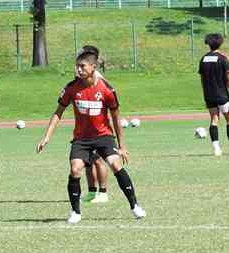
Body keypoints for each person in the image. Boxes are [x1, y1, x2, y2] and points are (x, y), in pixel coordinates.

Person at [36, 49, 146, 224]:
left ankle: (135, 206)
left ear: (93, 67)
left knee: (115, 164)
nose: (78, 70)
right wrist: (46, 137)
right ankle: (75, 212)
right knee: (75, 169)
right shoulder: (71, 88)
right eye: (77, 66)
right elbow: (58, 112)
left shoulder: (107, 90)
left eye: (82, 66)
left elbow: (116, 118)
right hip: (81, 139)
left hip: (104, 136)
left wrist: (122, 145)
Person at [74, 45, 110, 204]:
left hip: (97, 129)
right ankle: (91, 191)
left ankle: (103, 192)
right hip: (84, 129)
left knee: (98, 160)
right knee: (88, 162)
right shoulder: (83, 74)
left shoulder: (97, 77)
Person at [198, 33, 229, 156]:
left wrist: (206, 93)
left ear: (208, 44)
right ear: (220, 43)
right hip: (222, 95)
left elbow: (202, 78)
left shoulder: (203, 59)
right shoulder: (224, 58)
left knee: (214, 119)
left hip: (209, 95)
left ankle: (216, 149)